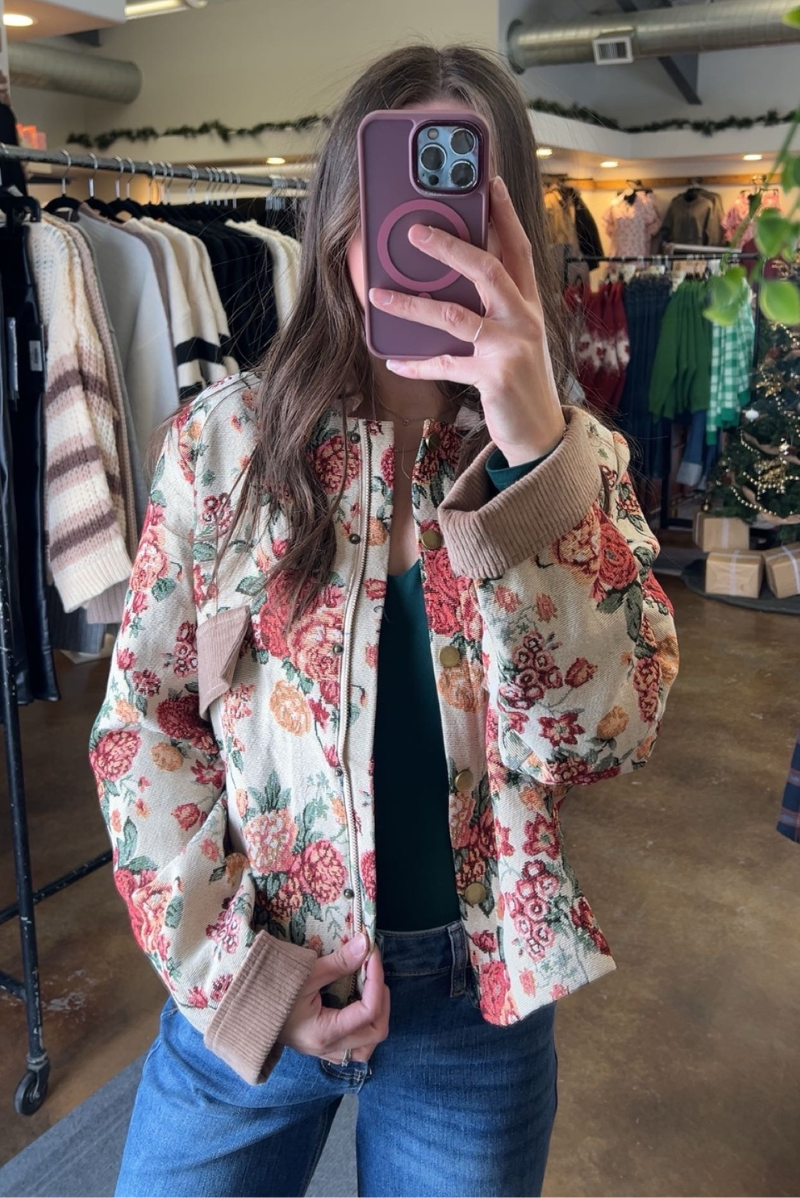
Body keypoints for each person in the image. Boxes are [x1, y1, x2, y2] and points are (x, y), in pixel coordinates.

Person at [89, 43, 679, 1198]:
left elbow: (607, 733)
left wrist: (533, 456)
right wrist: (238, 976)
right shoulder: (223, 447)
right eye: (389, 193)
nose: (418, 236)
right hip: (257, 964)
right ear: (336, 217)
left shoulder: (573, 464)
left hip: (473, 1012)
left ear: (511, 228)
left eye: (458, 202)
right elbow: (143, 728)